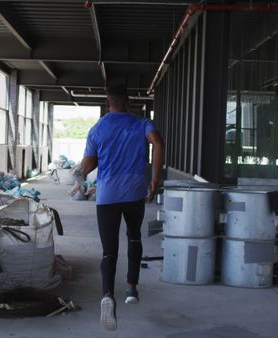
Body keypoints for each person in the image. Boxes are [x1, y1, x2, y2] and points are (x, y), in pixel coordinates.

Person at [80, 84, 164, 331]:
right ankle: (132, 289)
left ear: (108, 103)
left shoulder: (97, 129)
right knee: (134, 237)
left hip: (107, 195)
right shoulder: (142, 124)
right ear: (127, 102)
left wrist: (81, 172)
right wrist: (155, 179)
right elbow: (157, 142)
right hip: (135, 192)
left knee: (109, 250)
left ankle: (107, 294)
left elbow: (86, 167)